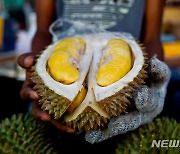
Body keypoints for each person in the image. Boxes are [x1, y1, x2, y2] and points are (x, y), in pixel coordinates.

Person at [18, 0, 165, 134]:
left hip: (127, 102)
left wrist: (155, 84)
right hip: (59, 112)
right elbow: (43, 31)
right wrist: (38, 80)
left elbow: (152, 37)